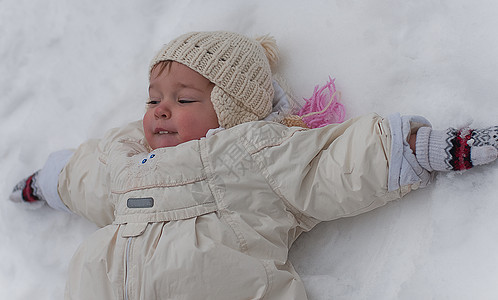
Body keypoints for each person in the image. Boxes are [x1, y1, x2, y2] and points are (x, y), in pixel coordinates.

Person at [9, 31, 498, 300]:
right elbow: (84, 175)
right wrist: (48, 182)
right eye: (154, 98)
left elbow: (331, 164)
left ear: (230, 109)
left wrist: (427, 147)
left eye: (183, 99)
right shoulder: (125, 163)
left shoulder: (250, 155)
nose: (160, 109)